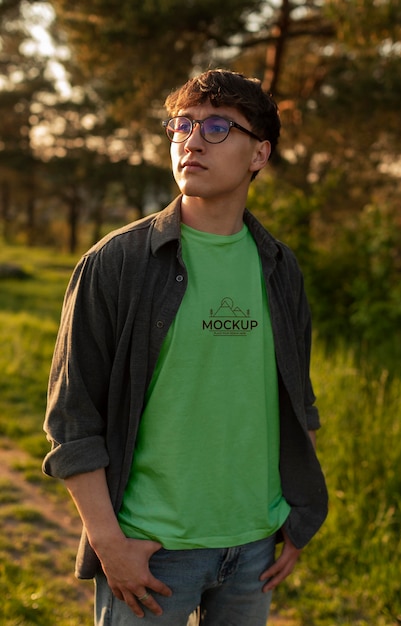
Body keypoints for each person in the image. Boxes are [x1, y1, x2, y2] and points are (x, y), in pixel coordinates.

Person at [43, 69, 327, 626]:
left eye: (218, 127)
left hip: (254, 547)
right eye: (183, 125)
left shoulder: (279, 268)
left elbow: (298, 401)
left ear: (259, 154)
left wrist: (300, 516)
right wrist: (109, 545)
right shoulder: (116, 263)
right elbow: (73, 419)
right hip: (150, 551)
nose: (192, 140)